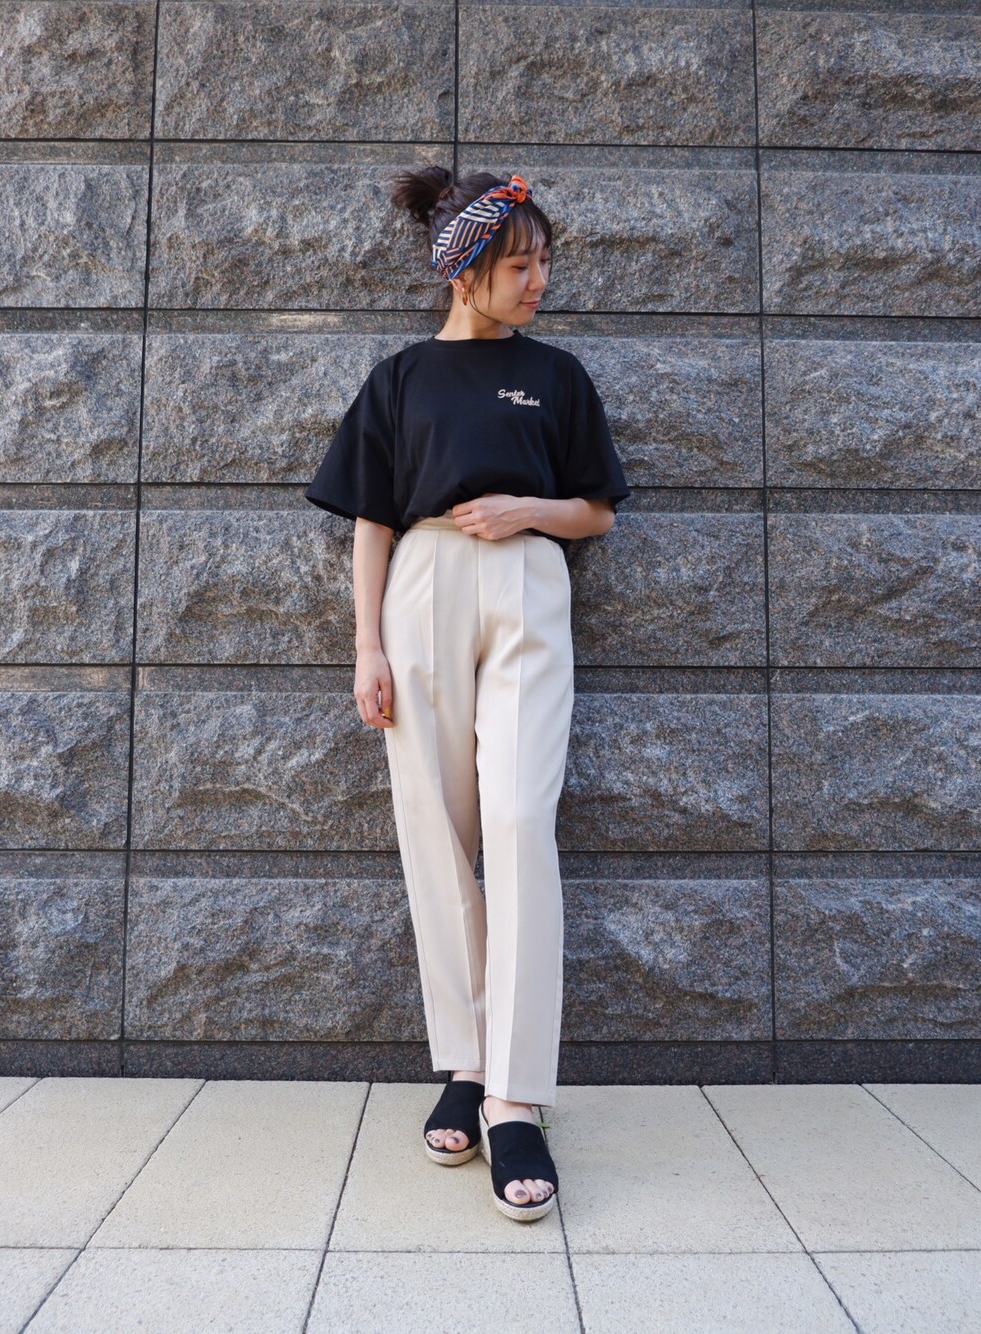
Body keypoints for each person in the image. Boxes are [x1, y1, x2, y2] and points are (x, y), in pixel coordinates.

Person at [304, 166, 630, 1222]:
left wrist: (528, 508)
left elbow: (597, 511)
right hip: (423, 589)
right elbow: (372, 520)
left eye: (544, 262)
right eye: (520, 265)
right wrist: (367, 647)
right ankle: (466, 1058)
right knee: (437, 832)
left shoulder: (558, 375)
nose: (540, 281)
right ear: (464, 272)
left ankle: (516, 1096)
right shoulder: (400, 378)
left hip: (527, 585)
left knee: (519, 819)